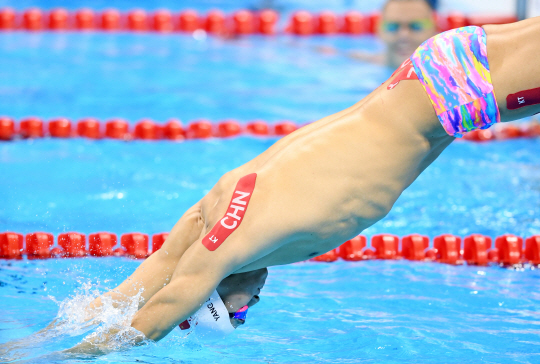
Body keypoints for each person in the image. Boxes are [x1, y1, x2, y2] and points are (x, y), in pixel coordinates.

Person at [49, 16, 540, 354]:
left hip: (447, 97)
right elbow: (155, 271)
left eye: (236, 316)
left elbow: (166, 304)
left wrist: (68, 358)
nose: (252, 309)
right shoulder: (216, 209)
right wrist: (34, 341)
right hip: (434, 70)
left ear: (215, 299)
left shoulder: (232, 244)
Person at [317, 0, 438, 68]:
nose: (404, 35)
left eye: (416, 26)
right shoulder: (366, 63)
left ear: (435, 30)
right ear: (378, 31)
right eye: (393, 27)